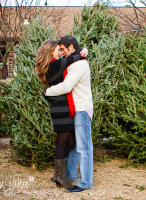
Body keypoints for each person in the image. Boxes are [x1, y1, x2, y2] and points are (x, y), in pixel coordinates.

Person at [35, 39, 88, 190]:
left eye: (61, 49)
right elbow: (75, 58)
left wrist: (84, 50)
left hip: (64, 106)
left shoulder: (54, 64)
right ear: (50, 51)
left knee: (70, 140)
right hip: (60, 108)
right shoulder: (54, 64)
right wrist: (83, 52)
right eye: (58, 50)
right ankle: (60, 176)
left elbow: (72, 58)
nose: (60, 52)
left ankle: (57, 173)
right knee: (62, 141)